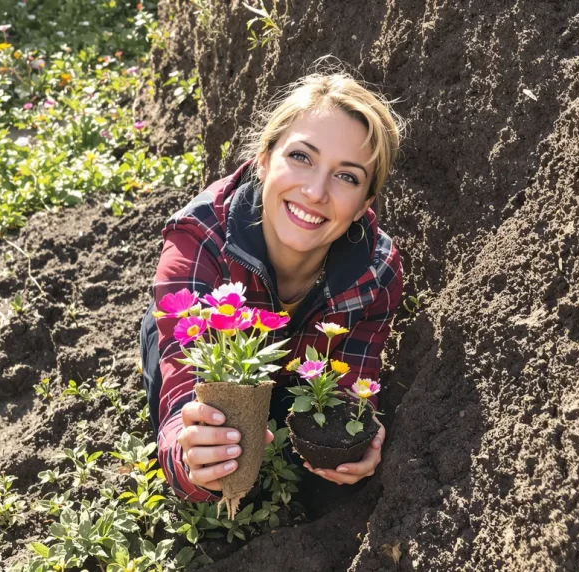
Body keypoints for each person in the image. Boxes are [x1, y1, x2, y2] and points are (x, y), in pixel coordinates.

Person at [140, 69, 404, 504]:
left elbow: (353, 384)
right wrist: (192, 465)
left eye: (348, 177)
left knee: (327, 491)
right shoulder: (199, 238)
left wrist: (358, 439)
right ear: (265, 159)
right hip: (218, 374)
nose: (315, 191)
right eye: (301, 157)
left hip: (297, 382)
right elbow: (182, 397)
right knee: (209, 482)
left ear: (363, 206)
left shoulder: (376, 273)